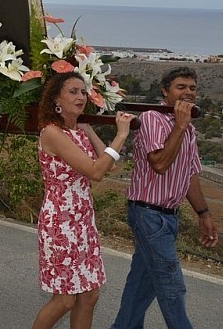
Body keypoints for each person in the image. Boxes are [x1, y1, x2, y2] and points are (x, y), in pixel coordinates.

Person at [111, 67, 218, 329]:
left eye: (193, 88)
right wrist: (180, 127)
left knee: (142, 284)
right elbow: (159, 164)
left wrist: (204, 213)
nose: (189, 92)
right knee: (171, 285)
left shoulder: (188, 129)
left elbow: (189, 174)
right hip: (148, 214)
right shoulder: (152, 119)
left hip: (169, 216)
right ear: (165, 91)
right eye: (181, 87)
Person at [32, 72, 135, 329]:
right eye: (73, 92)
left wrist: (88, 128)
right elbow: (96, 172)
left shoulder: (80, 130)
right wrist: (120, 135)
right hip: (61, 223)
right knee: (65, 299)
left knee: (89, 295)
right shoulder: (52, 133)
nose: (81, 97)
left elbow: (108, 166)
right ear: (56, 98)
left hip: (83, 220)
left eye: (83, 92)